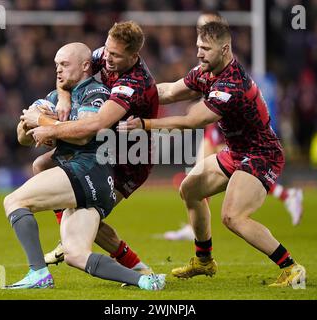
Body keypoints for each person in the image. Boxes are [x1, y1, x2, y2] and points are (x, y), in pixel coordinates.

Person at [119, 21, 306, 288]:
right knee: (190, 189)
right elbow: (169, 91)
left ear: (225, 49)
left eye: (205, 48)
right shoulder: (206, 72)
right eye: (198, 47)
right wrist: (127, 95)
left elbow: (190, 121)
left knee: (233, 217)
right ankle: (204, 260)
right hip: (237, 151)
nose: (199, 53)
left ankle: (292, 268)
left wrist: (145, 123)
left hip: (261, 154)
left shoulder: (232, 84)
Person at [4, 42, 165, 290]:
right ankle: (144, 279)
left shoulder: (96, 93)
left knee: (14, 201)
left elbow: (84, 136)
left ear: (85, 66)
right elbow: (22, 138)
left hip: (88, 169)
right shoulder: (55, 97)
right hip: (94, 183)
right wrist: (29, 122)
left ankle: (38, 274)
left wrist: (45, 122)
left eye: (65, 65)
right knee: (75, 255)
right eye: (56, 65)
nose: (58, 70)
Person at [164, 11, 303, 242]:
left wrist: (148, 123)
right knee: (199, 175)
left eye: (206, 28)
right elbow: (177, 91)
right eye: (199, 30)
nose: (201, 35)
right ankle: (199, 234)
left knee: (228, 174)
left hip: (225, 120)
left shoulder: (227, 67)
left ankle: (286, 197)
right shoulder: (207, 62)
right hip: (219, 119)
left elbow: (216, 100)